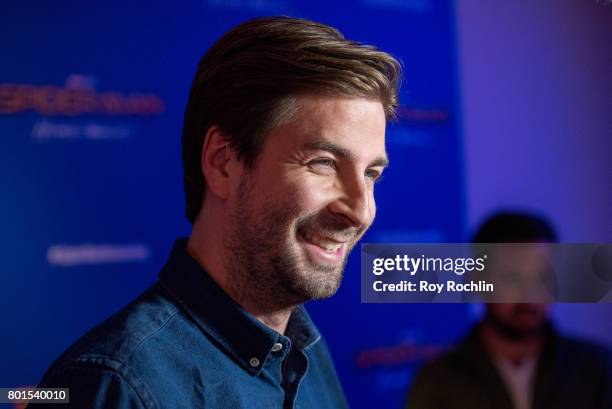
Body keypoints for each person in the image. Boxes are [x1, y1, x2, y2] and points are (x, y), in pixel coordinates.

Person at [31, 16, 401, 408]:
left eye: (371, 173)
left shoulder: (307, 351)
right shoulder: (113, 384)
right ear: (223, 162)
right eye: (323, 163)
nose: (361, 210)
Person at [405, 212, 612, 409]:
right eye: (512, 278)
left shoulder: (595, 369)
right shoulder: (439, 380)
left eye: (542, 277)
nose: (530, 294)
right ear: (477, 280)